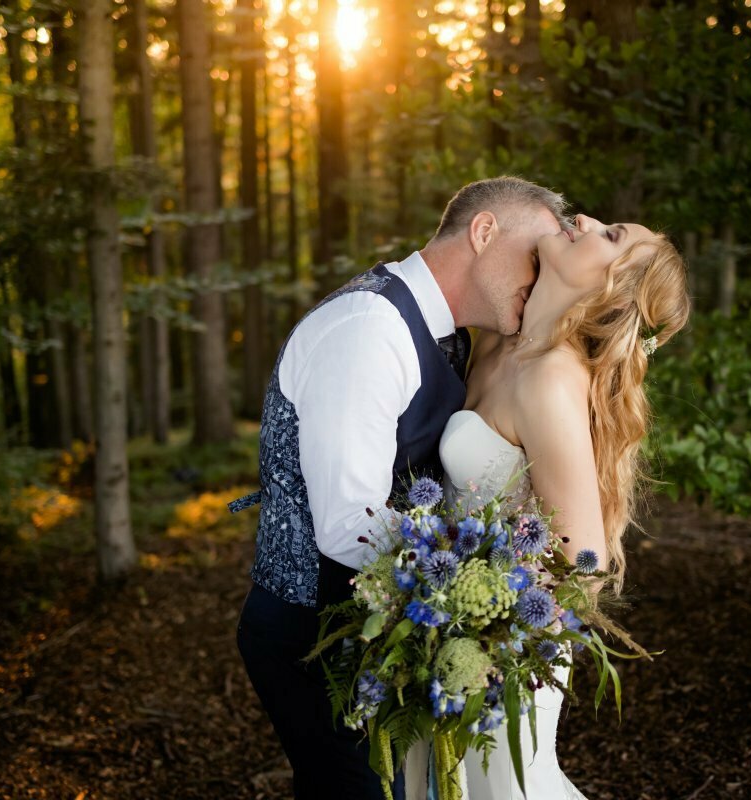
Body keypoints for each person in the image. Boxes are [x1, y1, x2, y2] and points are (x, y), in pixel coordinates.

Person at [234, 177, 568, 800]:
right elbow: (346, 523)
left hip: (371, 630)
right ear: (484, 230)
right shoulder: (367, 328)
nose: (541, 276)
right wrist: (473, 584)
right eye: (535, 256)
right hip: (311, 635)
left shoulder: (451, 333)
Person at [405, 213, 691, 798]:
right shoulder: (496, 343)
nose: (584, 219)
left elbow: (581, 561)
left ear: (612, 292)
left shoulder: (552, 379)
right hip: (441, 618)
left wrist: (487, 632)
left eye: (611, 236)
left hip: (504, 648)